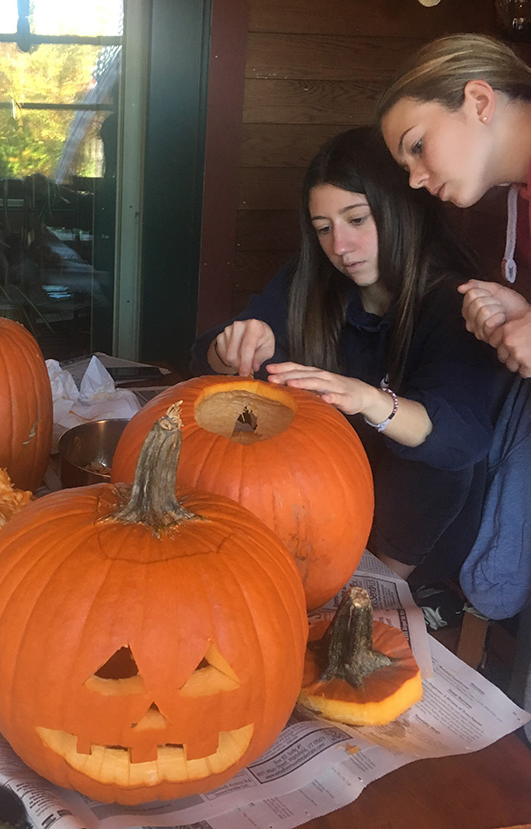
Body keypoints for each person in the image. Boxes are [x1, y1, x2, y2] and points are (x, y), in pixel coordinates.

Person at [191, 126, 511, 592]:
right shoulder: (309, 281)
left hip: (410, 541)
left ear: (399, 207)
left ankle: (372, 589)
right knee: (241, 411)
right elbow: (206, 360)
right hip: (310, 512)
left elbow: (460, 439)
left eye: (357, 219)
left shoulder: (455, 300)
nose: (340, 246)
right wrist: (230, 345)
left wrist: (369, 400)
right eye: (324, 229)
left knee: (431, 458)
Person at [375, 32, 531, 788]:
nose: (418, 179)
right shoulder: (529, 191)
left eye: (418, 147)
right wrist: (526, 313)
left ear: (479, 100)